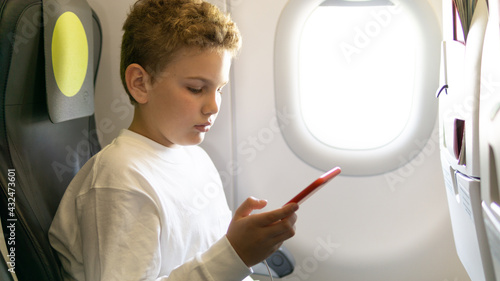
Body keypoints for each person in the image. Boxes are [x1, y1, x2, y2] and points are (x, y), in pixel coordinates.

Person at [48, 0, 299, 280]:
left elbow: (202, 257)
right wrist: (234, 255)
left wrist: (238, 241)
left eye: (220, 89)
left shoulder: (195, 158)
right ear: (140, 83)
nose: (214, 106)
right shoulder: (120, 181)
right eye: (196, 88)